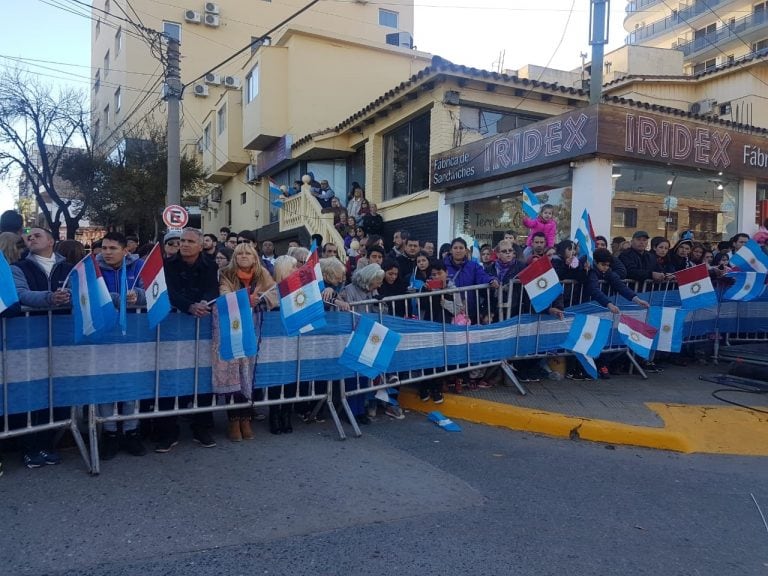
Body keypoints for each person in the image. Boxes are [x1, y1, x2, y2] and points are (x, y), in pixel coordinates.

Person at [10, 227, 71, 468]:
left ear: (51, 241)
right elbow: (22, 295)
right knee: (31, 393)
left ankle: (48, 443)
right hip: (29, 341)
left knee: (56, 393)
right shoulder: (19, 268)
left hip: (62, 339)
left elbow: (81, 294)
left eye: (37, 235)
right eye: (29, 236)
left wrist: (69, 298)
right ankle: (29, 446)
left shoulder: (69, 268)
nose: (31, 238)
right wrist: (49, 298)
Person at [155, 228, 219, 453]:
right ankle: (168, 431)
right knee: (170, 376)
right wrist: (189, 306)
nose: (184, 244)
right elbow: (168, 292)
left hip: (201, 327)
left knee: (201, 377)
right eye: (182, 240)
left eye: (190, 241)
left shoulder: (210, 264)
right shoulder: (167, 264)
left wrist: (204, 302)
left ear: (201, 245)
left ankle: (201, 427)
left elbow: (213, 288)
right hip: (172, 326)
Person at [213, 243, 277, 442]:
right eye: (239, 253)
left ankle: (246, 418)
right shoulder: (226, 273)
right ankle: (233, 419)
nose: (243, 256)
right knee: (232, 372)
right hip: (231, 327)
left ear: (255, 257)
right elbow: (224, 293)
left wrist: (260, 299)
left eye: (248, 253)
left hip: (253, 326)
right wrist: (244, 299)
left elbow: (274, 292)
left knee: (247, 371)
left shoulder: (263, 273)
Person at [94, 232, 147, 460]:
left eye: (112, 248)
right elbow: (94, 296)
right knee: (105, 385)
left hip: (134, 333)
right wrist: (120, 298)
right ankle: (109, 433)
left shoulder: (139, 266)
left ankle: (131, 431)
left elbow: (152, 291)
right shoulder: (92, 268)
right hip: (103, 334)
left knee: (131, 384)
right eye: (104, 248)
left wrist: (139, 297)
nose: (107, 252)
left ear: (126, 251)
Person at [443, 237, 499, 323]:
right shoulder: (443, 265)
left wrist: (491, 280)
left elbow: (482, 276)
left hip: (470, 311)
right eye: (455, 248)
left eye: (461, 248)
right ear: (451, 250)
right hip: (449, 312)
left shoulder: (473, 266)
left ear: (466, 251)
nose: (458, 250)